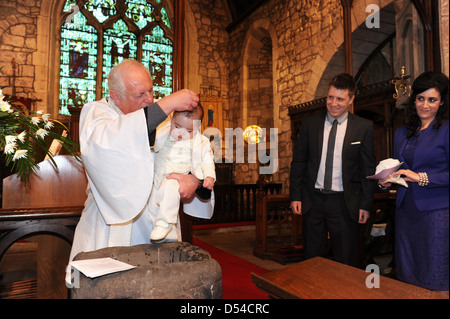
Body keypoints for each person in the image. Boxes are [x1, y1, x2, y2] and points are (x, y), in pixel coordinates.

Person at [67, 59, 203, 274]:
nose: (150, 99)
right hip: (108, 225)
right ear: (116, 96)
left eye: (151, 90)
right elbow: (112, 140)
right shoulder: (96, 113)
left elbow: (193, 152)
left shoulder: (165, 119)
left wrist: (194, 179)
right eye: (140, 95)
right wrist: (168, 103)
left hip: (157, 221)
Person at [289, 73, 375, 267]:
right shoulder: (310, 124)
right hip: (313, 201)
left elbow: (367, 168)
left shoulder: (363, 127)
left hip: (345, 203)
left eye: (340, 99)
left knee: (346, 260)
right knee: (312, 260)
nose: (333, 103)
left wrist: (365, 204)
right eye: (330, 97)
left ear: (351, 99)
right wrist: (295, 195)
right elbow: (299, 161)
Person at [379, 71, 449, 292]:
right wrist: (385, 180)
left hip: (436, 213)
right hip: (406, 210)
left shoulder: (446, 130)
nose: (425, 105)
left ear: (442, 102)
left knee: (434, 272)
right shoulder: (402, 133)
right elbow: (399, 168)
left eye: (432, 99)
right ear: (414, 100)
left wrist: (422, 177)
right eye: (420, 98)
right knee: (409, 275)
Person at [150, 103, 216, 242]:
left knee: (169, 195)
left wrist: (209, 177)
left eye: (188, 131)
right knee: (159, 201)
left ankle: (165, 224)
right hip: (159, 175)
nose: (180, 133)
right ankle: (168, 230)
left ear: (197, 128)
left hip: (177, 179)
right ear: (171, 120)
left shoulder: (200, 142)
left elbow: (207, 160)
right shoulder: (164, 132)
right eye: (177, 127)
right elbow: (152, 144)